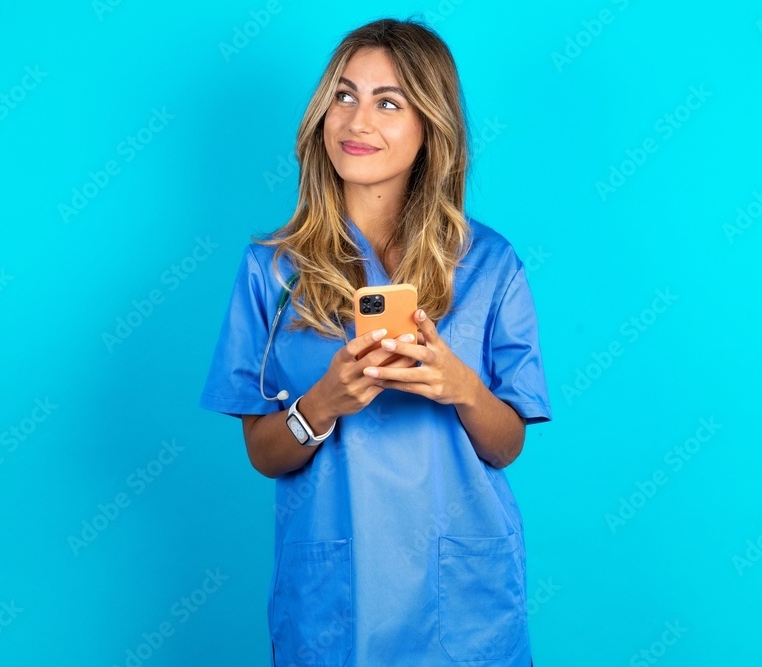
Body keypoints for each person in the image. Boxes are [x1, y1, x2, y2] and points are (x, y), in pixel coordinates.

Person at [200, 17, 551, 666]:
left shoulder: (490, 265)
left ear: (430, 128)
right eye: (344, 95)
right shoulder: (272, 270)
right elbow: (263, 453)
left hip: (463, 595)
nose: (357, 121)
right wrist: (323, 403)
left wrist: (462, 388)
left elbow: (506, 444)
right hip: (338, 594)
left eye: (389, 102)